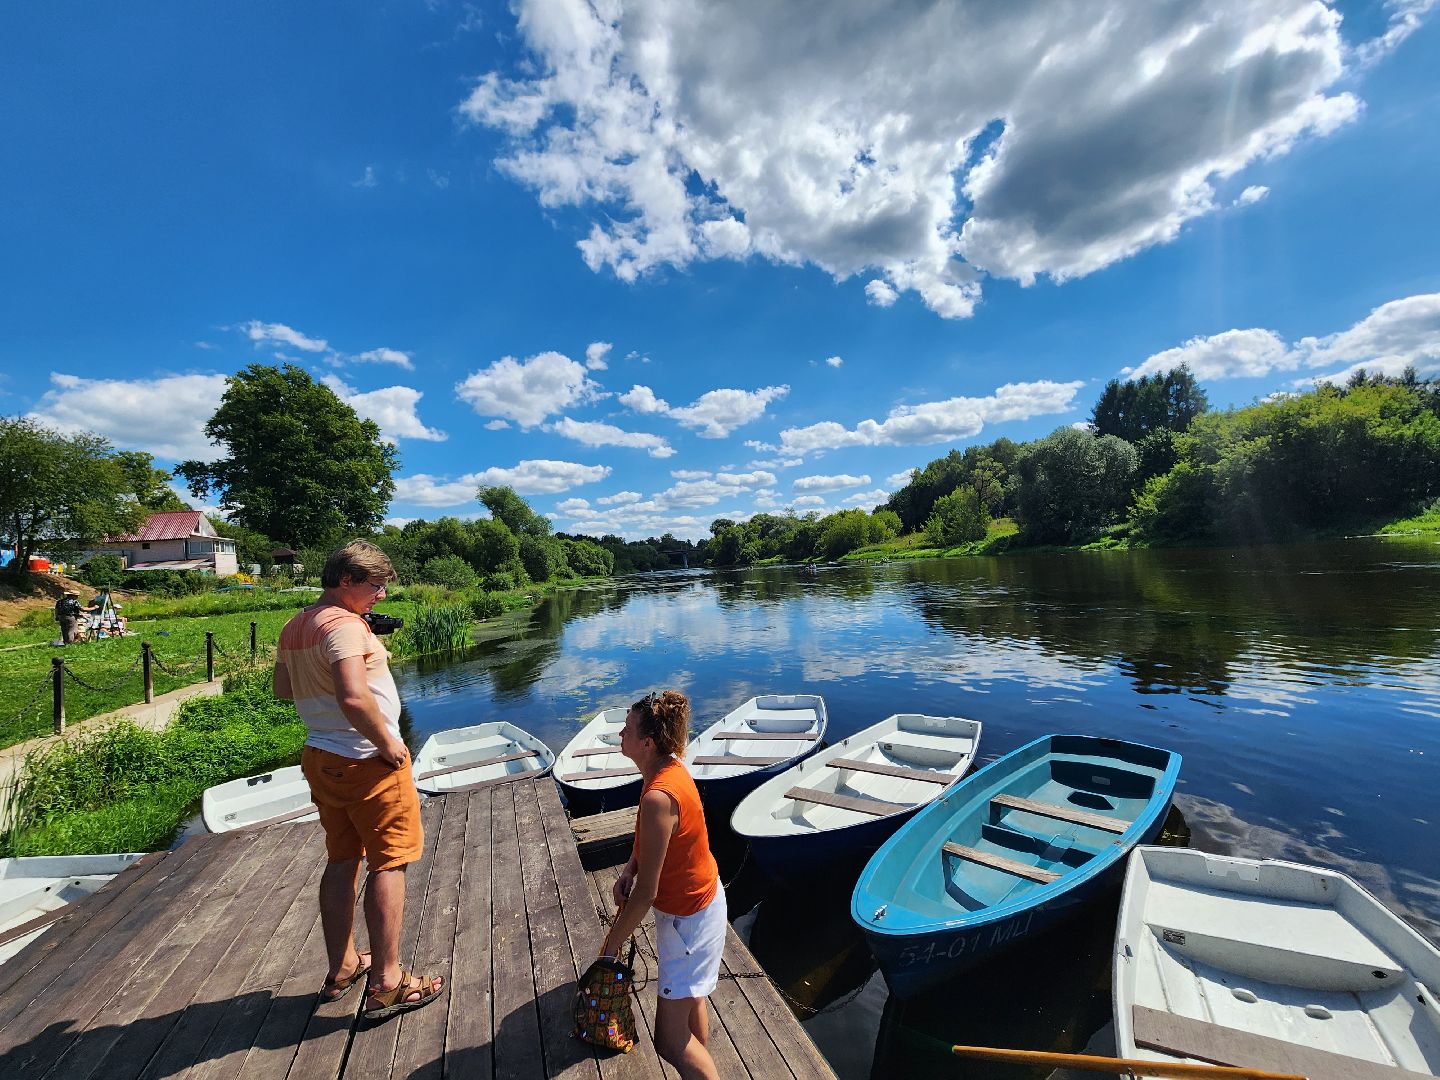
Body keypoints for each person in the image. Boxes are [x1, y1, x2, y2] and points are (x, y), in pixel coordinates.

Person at [273, 540, 444, 1021]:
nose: (382, 596)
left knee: (343, 857)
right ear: (346, 580)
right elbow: (352, 697)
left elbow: (284, 689)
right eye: (376, 585)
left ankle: (343, 966)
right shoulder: (345, 626)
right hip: (366, 758)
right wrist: (389, 744)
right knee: (391, 862)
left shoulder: (296, 625)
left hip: (322, 754)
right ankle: (388, 981)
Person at [601, 690, 724, 1080]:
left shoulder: (659, 794)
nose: (621, 733)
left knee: (669, 1042)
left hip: (690, 922)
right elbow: (653, 842)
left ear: (647, 743)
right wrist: (629, 868)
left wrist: (611, 945)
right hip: (696, 910)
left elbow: (646, 895)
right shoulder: (665, 769)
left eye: (628, 729)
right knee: (690, 1005)